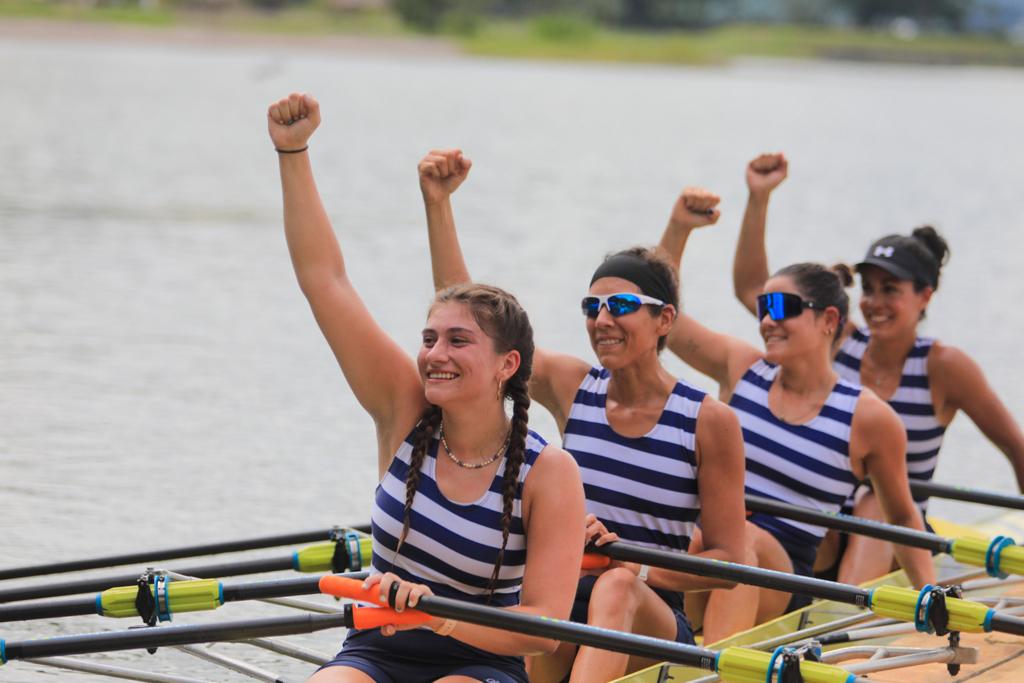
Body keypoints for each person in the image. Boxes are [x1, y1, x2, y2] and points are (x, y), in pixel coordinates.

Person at [267, 93, 586, 683]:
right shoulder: (403, 409)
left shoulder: (549, 472)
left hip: (480, 660)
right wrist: (294, 152)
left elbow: (543, 627)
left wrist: (438, 618)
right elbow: (326, 281)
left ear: (506, 365)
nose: (434, 355)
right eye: (429, 338)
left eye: (457, 342)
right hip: (376, 649)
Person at [416, 149, 747, 681]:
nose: (601, 320)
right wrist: (438, 205)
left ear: (664, 320)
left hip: (652, 617)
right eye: (591, 308)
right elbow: (475, 322)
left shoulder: (708, 420)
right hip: (563, 603)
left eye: (618, 307)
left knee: (615, 588)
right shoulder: (574, 386)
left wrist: (631, 560)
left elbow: (733, 564)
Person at [731, 153, 1024, 584]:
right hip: (831, 527)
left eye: (891, 290)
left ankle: (841, 615)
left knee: (874, 498)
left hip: (896, 528)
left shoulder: (943, 366)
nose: (874, 303)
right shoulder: (841, 339)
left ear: (925, 296)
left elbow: (1015, 446)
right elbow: (754, 289)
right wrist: (758, 199)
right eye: (868, 289)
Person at [657, 186, 936, 638]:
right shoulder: (743, 368)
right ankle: (674, 646)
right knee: (686, 539)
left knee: (738, 546)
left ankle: (712, 663)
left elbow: (903, 518)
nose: (767, 320)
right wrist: (679, 229)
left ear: (829, 321)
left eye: (782, 307)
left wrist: (933, 603)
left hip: (780, 574)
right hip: (709, 548)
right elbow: (660, 318)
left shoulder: (868, 417)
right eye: (764, 307)